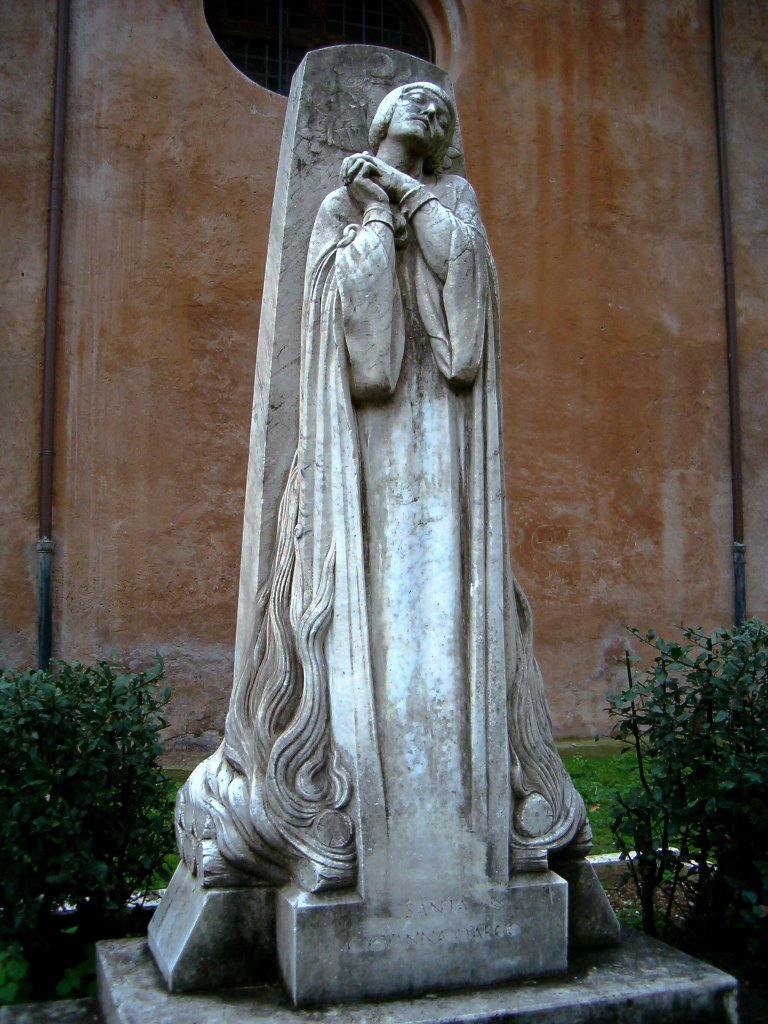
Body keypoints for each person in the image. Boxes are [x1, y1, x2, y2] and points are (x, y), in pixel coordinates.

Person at [176, 82, 590, 895]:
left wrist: (406, 196)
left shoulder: (452, 197)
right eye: (413, 100)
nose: (430, 111)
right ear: (377, 116)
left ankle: (470, 823)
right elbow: (364, 358)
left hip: (449, 441)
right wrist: (373, 218)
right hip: (362, 451)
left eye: (443, 108)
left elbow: (468, 326)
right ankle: (347, 810)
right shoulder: (338, 205)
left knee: (449, 615)